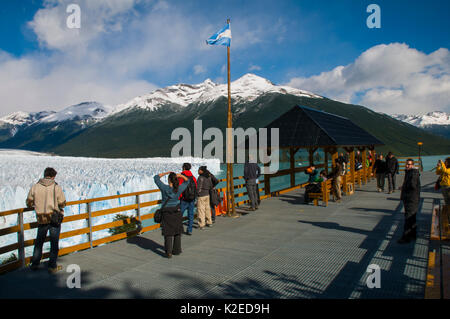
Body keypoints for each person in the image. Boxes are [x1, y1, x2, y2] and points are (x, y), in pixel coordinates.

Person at [26, 167, 66, 273]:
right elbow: (62, 203)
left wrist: (35, 204)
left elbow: (29, 202)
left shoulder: (35, 187)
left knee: (39, 242)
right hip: (54, 219)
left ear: (45, 175)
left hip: (41, 218)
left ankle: (35, 264)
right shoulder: (56, 187)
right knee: (54, 243)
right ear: (53, 176)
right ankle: (52, 267)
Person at [154, 171, 189, 258]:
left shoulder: (164, 188)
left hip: (166, 212)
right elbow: (187, 181)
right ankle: (176, 250)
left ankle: (168, 252)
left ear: (169, 179)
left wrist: (165, 173)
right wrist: (180, 175)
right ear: (175, 180)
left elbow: (156, 178)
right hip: (176, 211)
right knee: (177, 231)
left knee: (168, 232)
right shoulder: (179, 189)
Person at [398, 159, 421, 244]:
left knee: (408, 218)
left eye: (409, 164)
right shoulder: (410, 172)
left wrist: (403, 187)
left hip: (411, 199)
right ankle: (413, 235)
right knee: (412, 218)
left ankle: (406, 237)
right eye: (406, 164)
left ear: (412, 165)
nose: (407, 166)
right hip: (411, 198)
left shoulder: (413, 173)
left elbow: (412, 185)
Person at [178, 163, 197, 235]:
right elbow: (196, 187)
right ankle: (189, 230)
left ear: (183, 168)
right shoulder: (193, 177)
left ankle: (179, 230)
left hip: (183, 199)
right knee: (191, 215)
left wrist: (179, 197)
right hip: (192, 199)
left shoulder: (181, 176)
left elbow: (179, 187)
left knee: (179, 215)